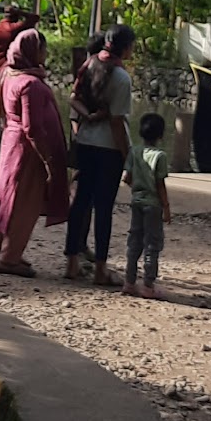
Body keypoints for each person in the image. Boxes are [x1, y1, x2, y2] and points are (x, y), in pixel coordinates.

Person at [0, 29, 69, 277]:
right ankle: (9, 259)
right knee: (25, 204)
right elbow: (32, 126)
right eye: (43, 49)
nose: (45, 54)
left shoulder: (9, 75)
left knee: (8, 197)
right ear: (34, 51)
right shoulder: (30, 83)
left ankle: (0, 247)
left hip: (11, 145)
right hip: (27, 150)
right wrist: (47, 159)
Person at [65, 23, 135, 285]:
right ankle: (100, 270)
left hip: (84, 142)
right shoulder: (121, 78)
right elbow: (117, 124)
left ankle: (71, 262)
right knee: (103, 207)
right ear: (126, 47)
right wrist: (128, 157)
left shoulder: (90, 63)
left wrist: (88, 117)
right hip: (108, 149)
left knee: (80, 202)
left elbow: (73, 98)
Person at [123, 111, 173, 300]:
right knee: (152, 244)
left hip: (136, 202)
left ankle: (129, 281)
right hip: (153, 205)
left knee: (134, 241)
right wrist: (166, 207)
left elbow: (126, 177)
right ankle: (148, 285)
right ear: (160, 135)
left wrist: (138, 188)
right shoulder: (160, 156)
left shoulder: (134, 152)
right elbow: (160, 184)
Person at [0, 2, 36, 153]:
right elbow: (35, 18)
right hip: (9, 74)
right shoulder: (16, 29)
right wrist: (22, 12)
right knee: (4, 107)